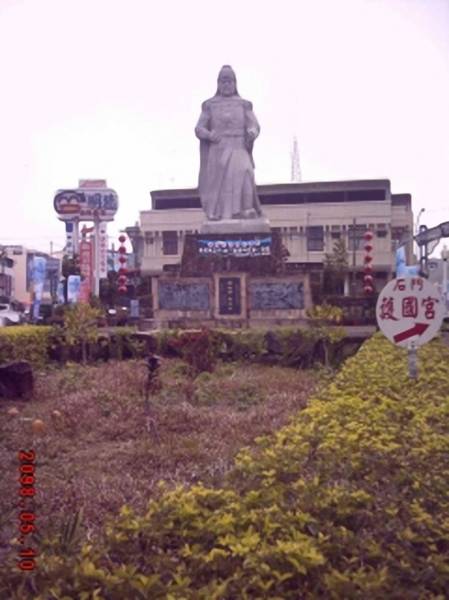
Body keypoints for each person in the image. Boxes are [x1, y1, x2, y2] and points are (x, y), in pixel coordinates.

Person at [195, 65, 263, 221]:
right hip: (218, 149)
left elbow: (254, 125)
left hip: (239, 145)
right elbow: (199, 128)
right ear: (218, 83)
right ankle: (222, 214)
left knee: (246, 173)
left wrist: (252, 132)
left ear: (235, 83)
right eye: (223, 81)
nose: (227, 85)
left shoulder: (244, 104)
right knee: (221, 184)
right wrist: (209, 135)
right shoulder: (210, 105)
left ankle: (247, 209)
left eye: (230, 81)